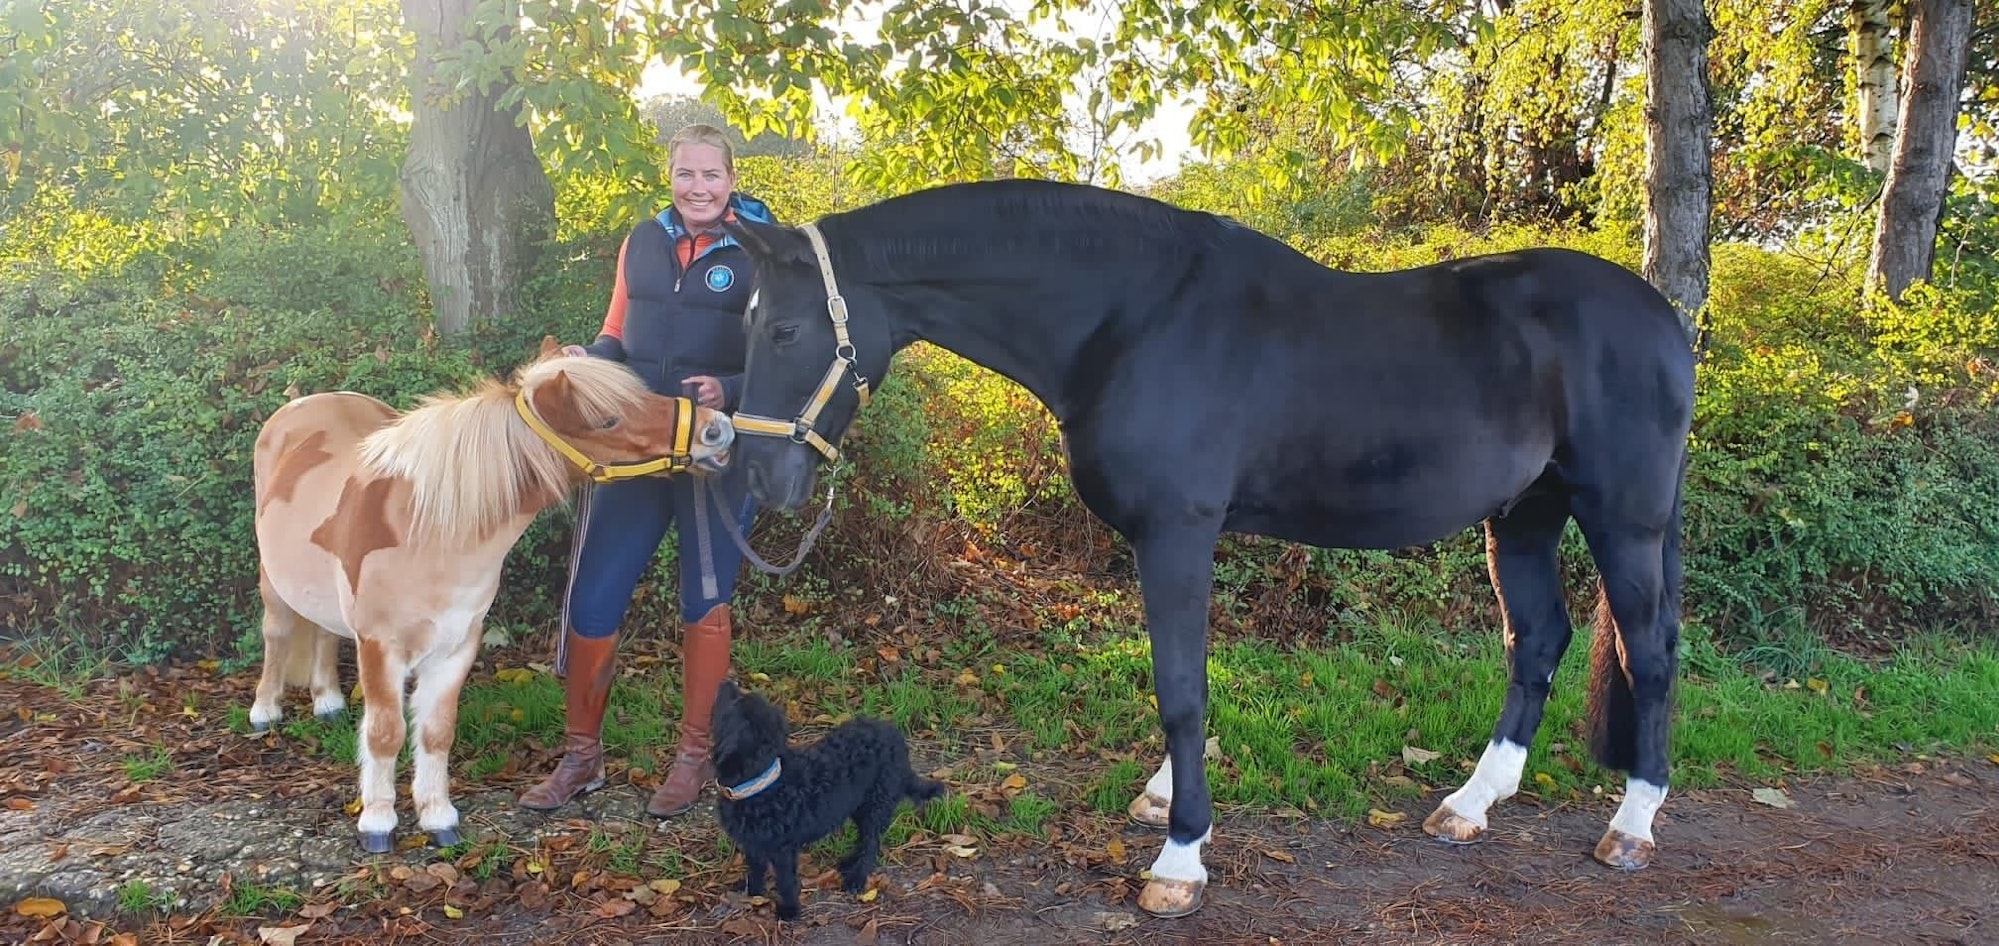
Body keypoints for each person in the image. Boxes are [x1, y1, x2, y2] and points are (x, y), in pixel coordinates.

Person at [518, 123, 770, 819]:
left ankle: (694, 756)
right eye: (686, 174)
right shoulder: (643, 241)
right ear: (671, 177)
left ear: (731, 179)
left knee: (704, 603)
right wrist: (588, 358)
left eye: (710, 176)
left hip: (712, 453)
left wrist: (732, 388)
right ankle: (581, 758)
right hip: (629, 446)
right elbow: (615, 331)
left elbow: (787, 356)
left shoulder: (763, 249)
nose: (697, 188)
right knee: (594, 598)